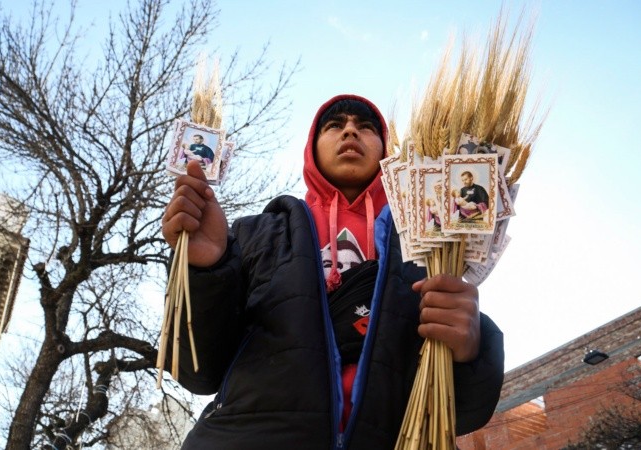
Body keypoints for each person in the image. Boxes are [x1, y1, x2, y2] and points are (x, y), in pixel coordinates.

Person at [161, 94, 504, 449]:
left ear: (387, 150)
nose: (351, 132)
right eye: (335, 125)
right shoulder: (256, 234)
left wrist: (472, 351)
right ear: (312, 147)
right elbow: (198, 373)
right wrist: (204, 269)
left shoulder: (430, 247)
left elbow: (464, 413)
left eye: (366, 127)